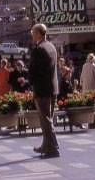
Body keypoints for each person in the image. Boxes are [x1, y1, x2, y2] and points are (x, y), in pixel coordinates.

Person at [29, 23, 59, 159]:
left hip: (42, 90)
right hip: (53, 88)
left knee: (46, 120)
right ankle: (46, 145)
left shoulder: (38, 49)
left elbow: (34, 70)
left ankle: (53, 148)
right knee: (48, 118)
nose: (31, 35)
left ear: (37, 34)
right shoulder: (51, 47)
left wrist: (28, 83)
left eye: (32, 33)